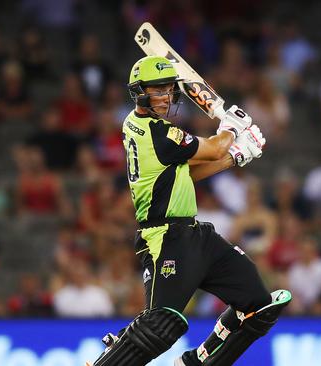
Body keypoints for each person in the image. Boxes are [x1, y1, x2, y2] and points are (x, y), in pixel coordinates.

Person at [89, 55, 291, 366]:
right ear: (139, 93)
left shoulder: (150, 131)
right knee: (160, 324)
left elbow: (186, 173)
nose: (166, 97)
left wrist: (235, 156)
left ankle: (197, 362)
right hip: (165, 238)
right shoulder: (156, 132)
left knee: (258, 305)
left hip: (195, 234)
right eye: (158, 90)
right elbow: (213, 148)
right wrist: (231, 129)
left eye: (169, 89)